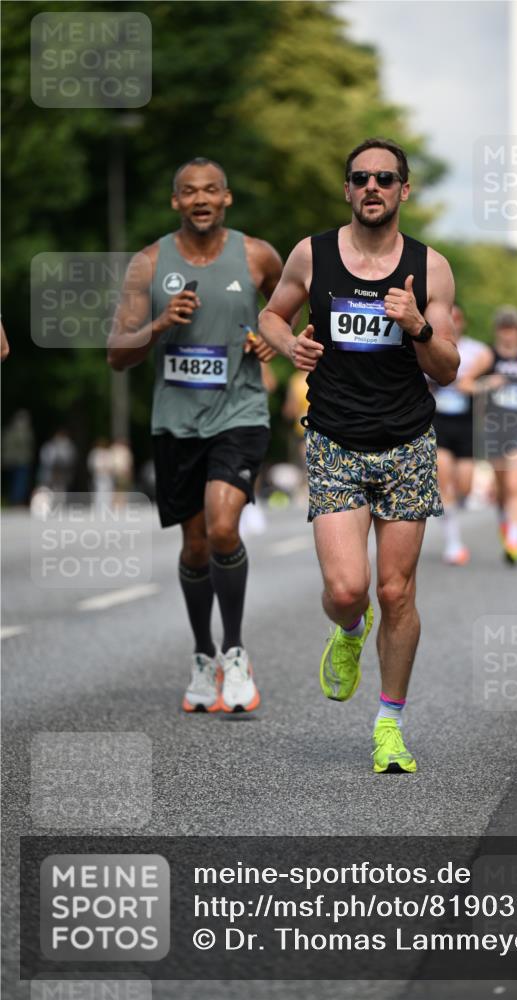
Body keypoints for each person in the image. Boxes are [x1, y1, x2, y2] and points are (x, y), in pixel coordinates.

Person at [259, 138, 459, 773]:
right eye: (361, 178)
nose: (373, 187)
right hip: (335, 440)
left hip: (406, 442)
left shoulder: (430, 269)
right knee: (348, 590)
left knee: (396, 591)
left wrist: (418, 326)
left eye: (386, 178)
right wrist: (290, 346)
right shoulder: (311, 255)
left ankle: (390, 724)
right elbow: (269, 317)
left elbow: (448, 368)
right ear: (347, 190)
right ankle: (348, 630)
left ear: (404, 190)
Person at [108, 157, 282, 714]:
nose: (201, 198)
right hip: (177, 421)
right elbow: (116, 355)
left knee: (224, 525)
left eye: (211, 189)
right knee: (196, 544)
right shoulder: (149, 263)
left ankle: (235, 650)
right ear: (176, 203)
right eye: (189, 191)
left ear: (226, 198)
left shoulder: (258, 256)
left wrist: (271, 340)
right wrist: (159, 326)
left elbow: (288, 312)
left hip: (240, 412)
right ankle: (203, 654)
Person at [458, 306, 517, 565]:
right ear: (498, 330)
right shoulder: (489, 356)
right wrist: (487, 384)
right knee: (501, 490)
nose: (509, 334)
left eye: (513, 328)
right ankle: (504, 523)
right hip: (496, 428)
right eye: (504, 328)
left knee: (514, 485)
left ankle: (515, 541)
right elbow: (464, 384)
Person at [429, 303, 486, 565]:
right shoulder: (427, 345)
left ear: (462, 322)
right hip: (438, 421)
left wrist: (474, 385)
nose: (453, 321)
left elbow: (493, 378)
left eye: (457, 318)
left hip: (466, 425)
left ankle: (455, 510)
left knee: (465, 485)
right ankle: (453, 543)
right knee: (443, 480)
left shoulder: (477, 351)